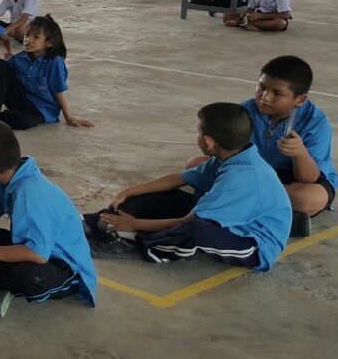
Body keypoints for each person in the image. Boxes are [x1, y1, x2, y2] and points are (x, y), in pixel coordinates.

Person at [85, 102, 292, 271]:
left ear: (208, 142)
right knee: (163, 196)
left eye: (198, 131)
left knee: (194, 232)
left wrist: (136, 224)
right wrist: (128, 191)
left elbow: (188, 221)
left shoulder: (241, 178)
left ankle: (136, 242)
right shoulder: (230, 156)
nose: (196, 136)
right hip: (224, 217)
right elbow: (178, 179)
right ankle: (98, 221)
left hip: (253, 241)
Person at [0, 120, 98, 317]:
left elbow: (36, 254)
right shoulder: (8, 175)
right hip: (28, 247)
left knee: (26, 277)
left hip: (62, 266)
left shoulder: (32, 194)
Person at [223, 56, 336, 237]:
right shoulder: (247, 108)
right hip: (255, 173)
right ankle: (280, 219)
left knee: (310, 198)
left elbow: (310, 178)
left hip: (294, 180)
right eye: (261, 87)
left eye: (277, 93)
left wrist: (299, 153)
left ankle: (234, 207)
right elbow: (230, 152)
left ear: (300, 100)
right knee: (198, 164)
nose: (264, 97)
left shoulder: (316, 122)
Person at [0, 14, 94, 130]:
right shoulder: (18, 58)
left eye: (36, 37)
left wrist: (68, 116)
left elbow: (58, 91)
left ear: (49, 43)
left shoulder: (54, 62)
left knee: (22, 122)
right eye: (27, 35)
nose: (28, 40)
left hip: (42, 109)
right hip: (20, 100)